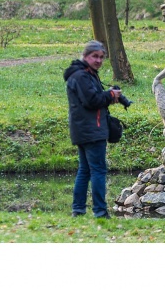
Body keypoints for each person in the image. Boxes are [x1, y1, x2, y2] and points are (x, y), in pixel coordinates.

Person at [63, 40, 121, 219]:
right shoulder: (81, 76)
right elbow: (92, 101)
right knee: (98, 170)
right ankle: (100, 211)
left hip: (84, 129)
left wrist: (107, 95)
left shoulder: (85, 74)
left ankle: (78, 210)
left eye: (101, 57)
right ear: (85, 56)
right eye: (94, 56)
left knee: (85, 170)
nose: (98, 61)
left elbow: (93, 98)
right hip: (91, 129)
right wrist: (111, 95)